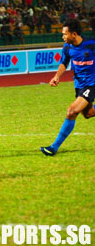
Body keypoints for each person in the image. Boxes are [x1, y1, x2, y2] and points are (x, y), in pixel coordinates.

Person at [41, 19, 95, 156]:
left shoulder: (91, 44)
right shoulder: (67, 47)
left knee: (71, 111)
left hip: (92, 84)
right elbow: (64, 63)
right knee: (88, 114)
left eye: (65, 34)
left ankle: (53, 147)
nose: (63, 37)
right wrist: (57, 76)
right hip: (79, 85)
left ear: (74, 34)